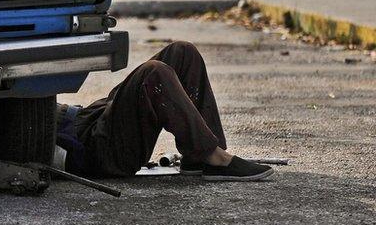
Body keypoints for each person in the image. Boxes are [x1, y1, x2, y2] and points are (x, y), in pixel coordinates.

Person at [56, 41, 274, 182]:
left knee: (182, 52)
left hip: (85, 117)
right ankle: (214, 156)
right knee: (152, 74)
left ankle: (199, 158)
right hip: (95, 150)